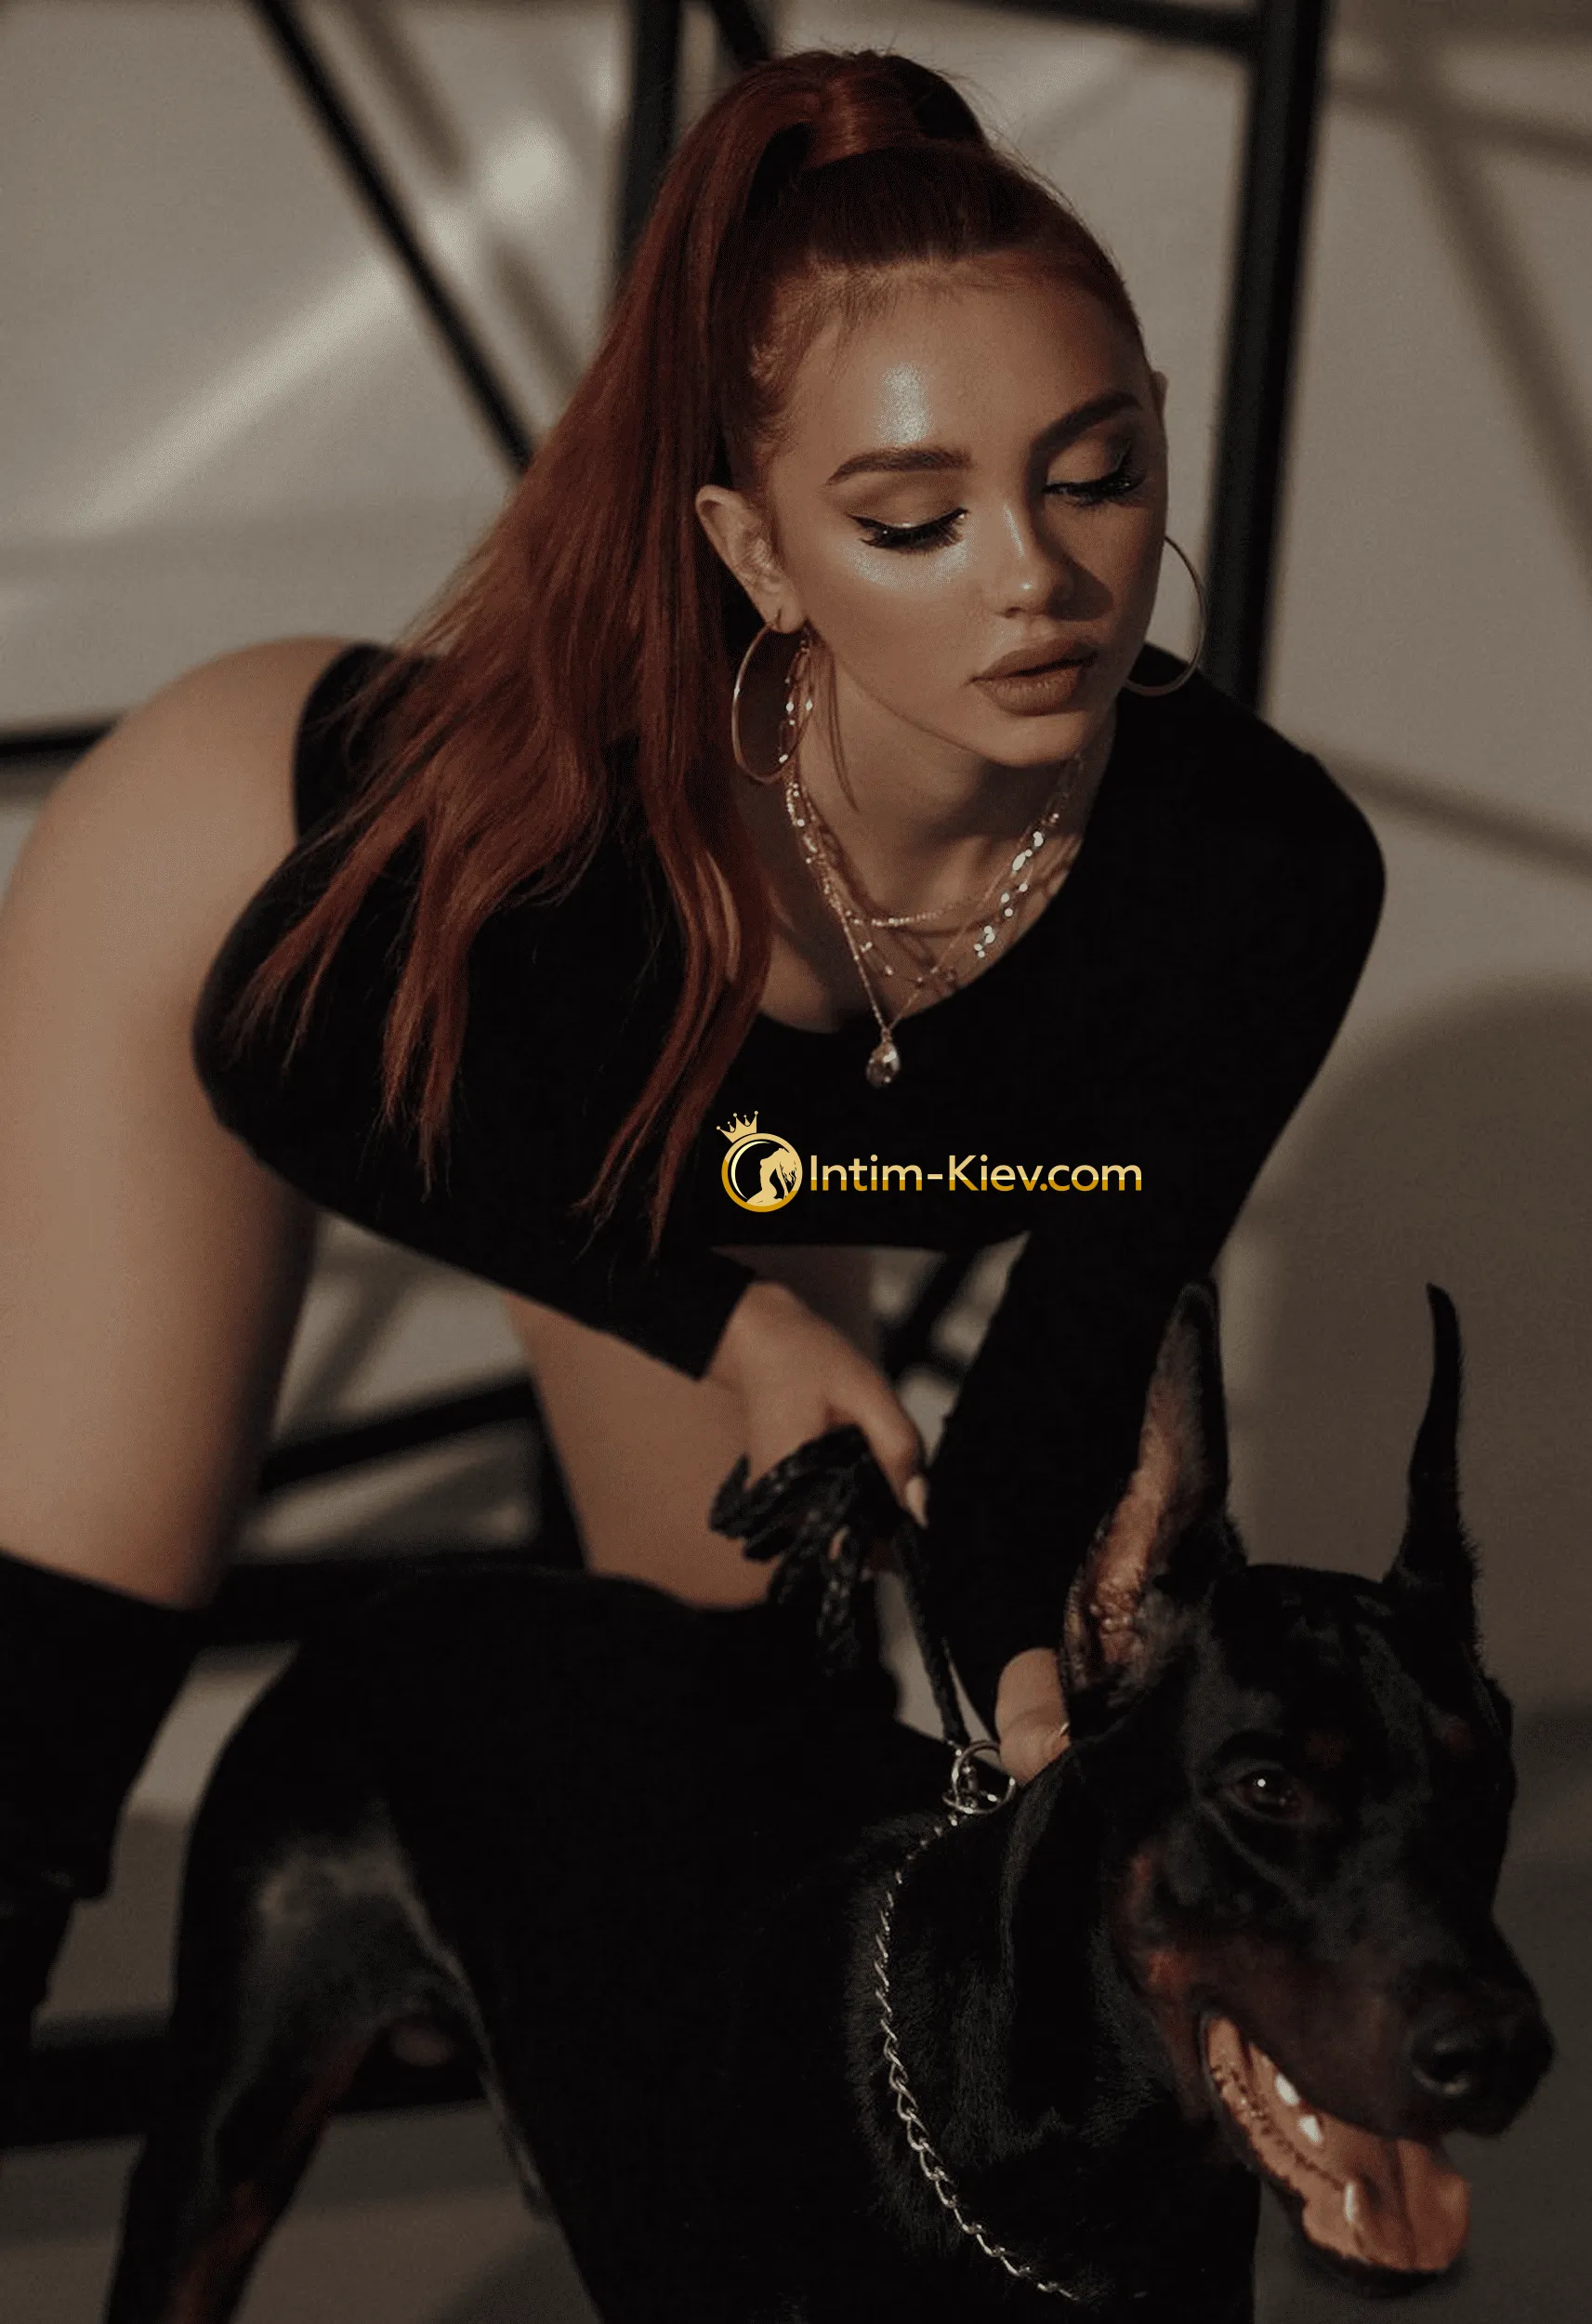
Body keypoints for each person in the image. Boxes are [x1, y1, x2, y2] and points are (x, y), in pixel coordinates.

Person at [0, 48, 1383, 2119]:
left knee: (756, 1753)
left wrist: (1026, 1679)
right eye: (911, 519)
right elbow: (277, 1060)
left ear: (1159, 434)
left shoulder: (1260, 882)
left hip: (694, 1141)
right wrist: (731, 1322)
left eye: (1094, 476)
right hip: (252, 917)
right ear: (757, 550)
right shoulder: (610, 838)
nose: (1032, 576)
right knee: (37, 1704)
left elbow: (1057, 1384)